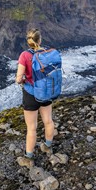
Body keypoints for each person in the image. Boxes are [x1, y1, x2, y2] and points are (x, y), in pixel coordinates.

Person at [16, 28, 55, 160]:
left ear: (28, 41)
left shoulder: (25, 55)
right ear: (40, 39)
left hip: (31, 94)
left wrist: (22, 80)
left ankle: (28, 158)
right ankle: (47, 146)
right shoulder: (47, 53)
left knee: (32, 128)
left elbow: (18, 78)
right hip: (46, 92)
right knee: (48, 121)